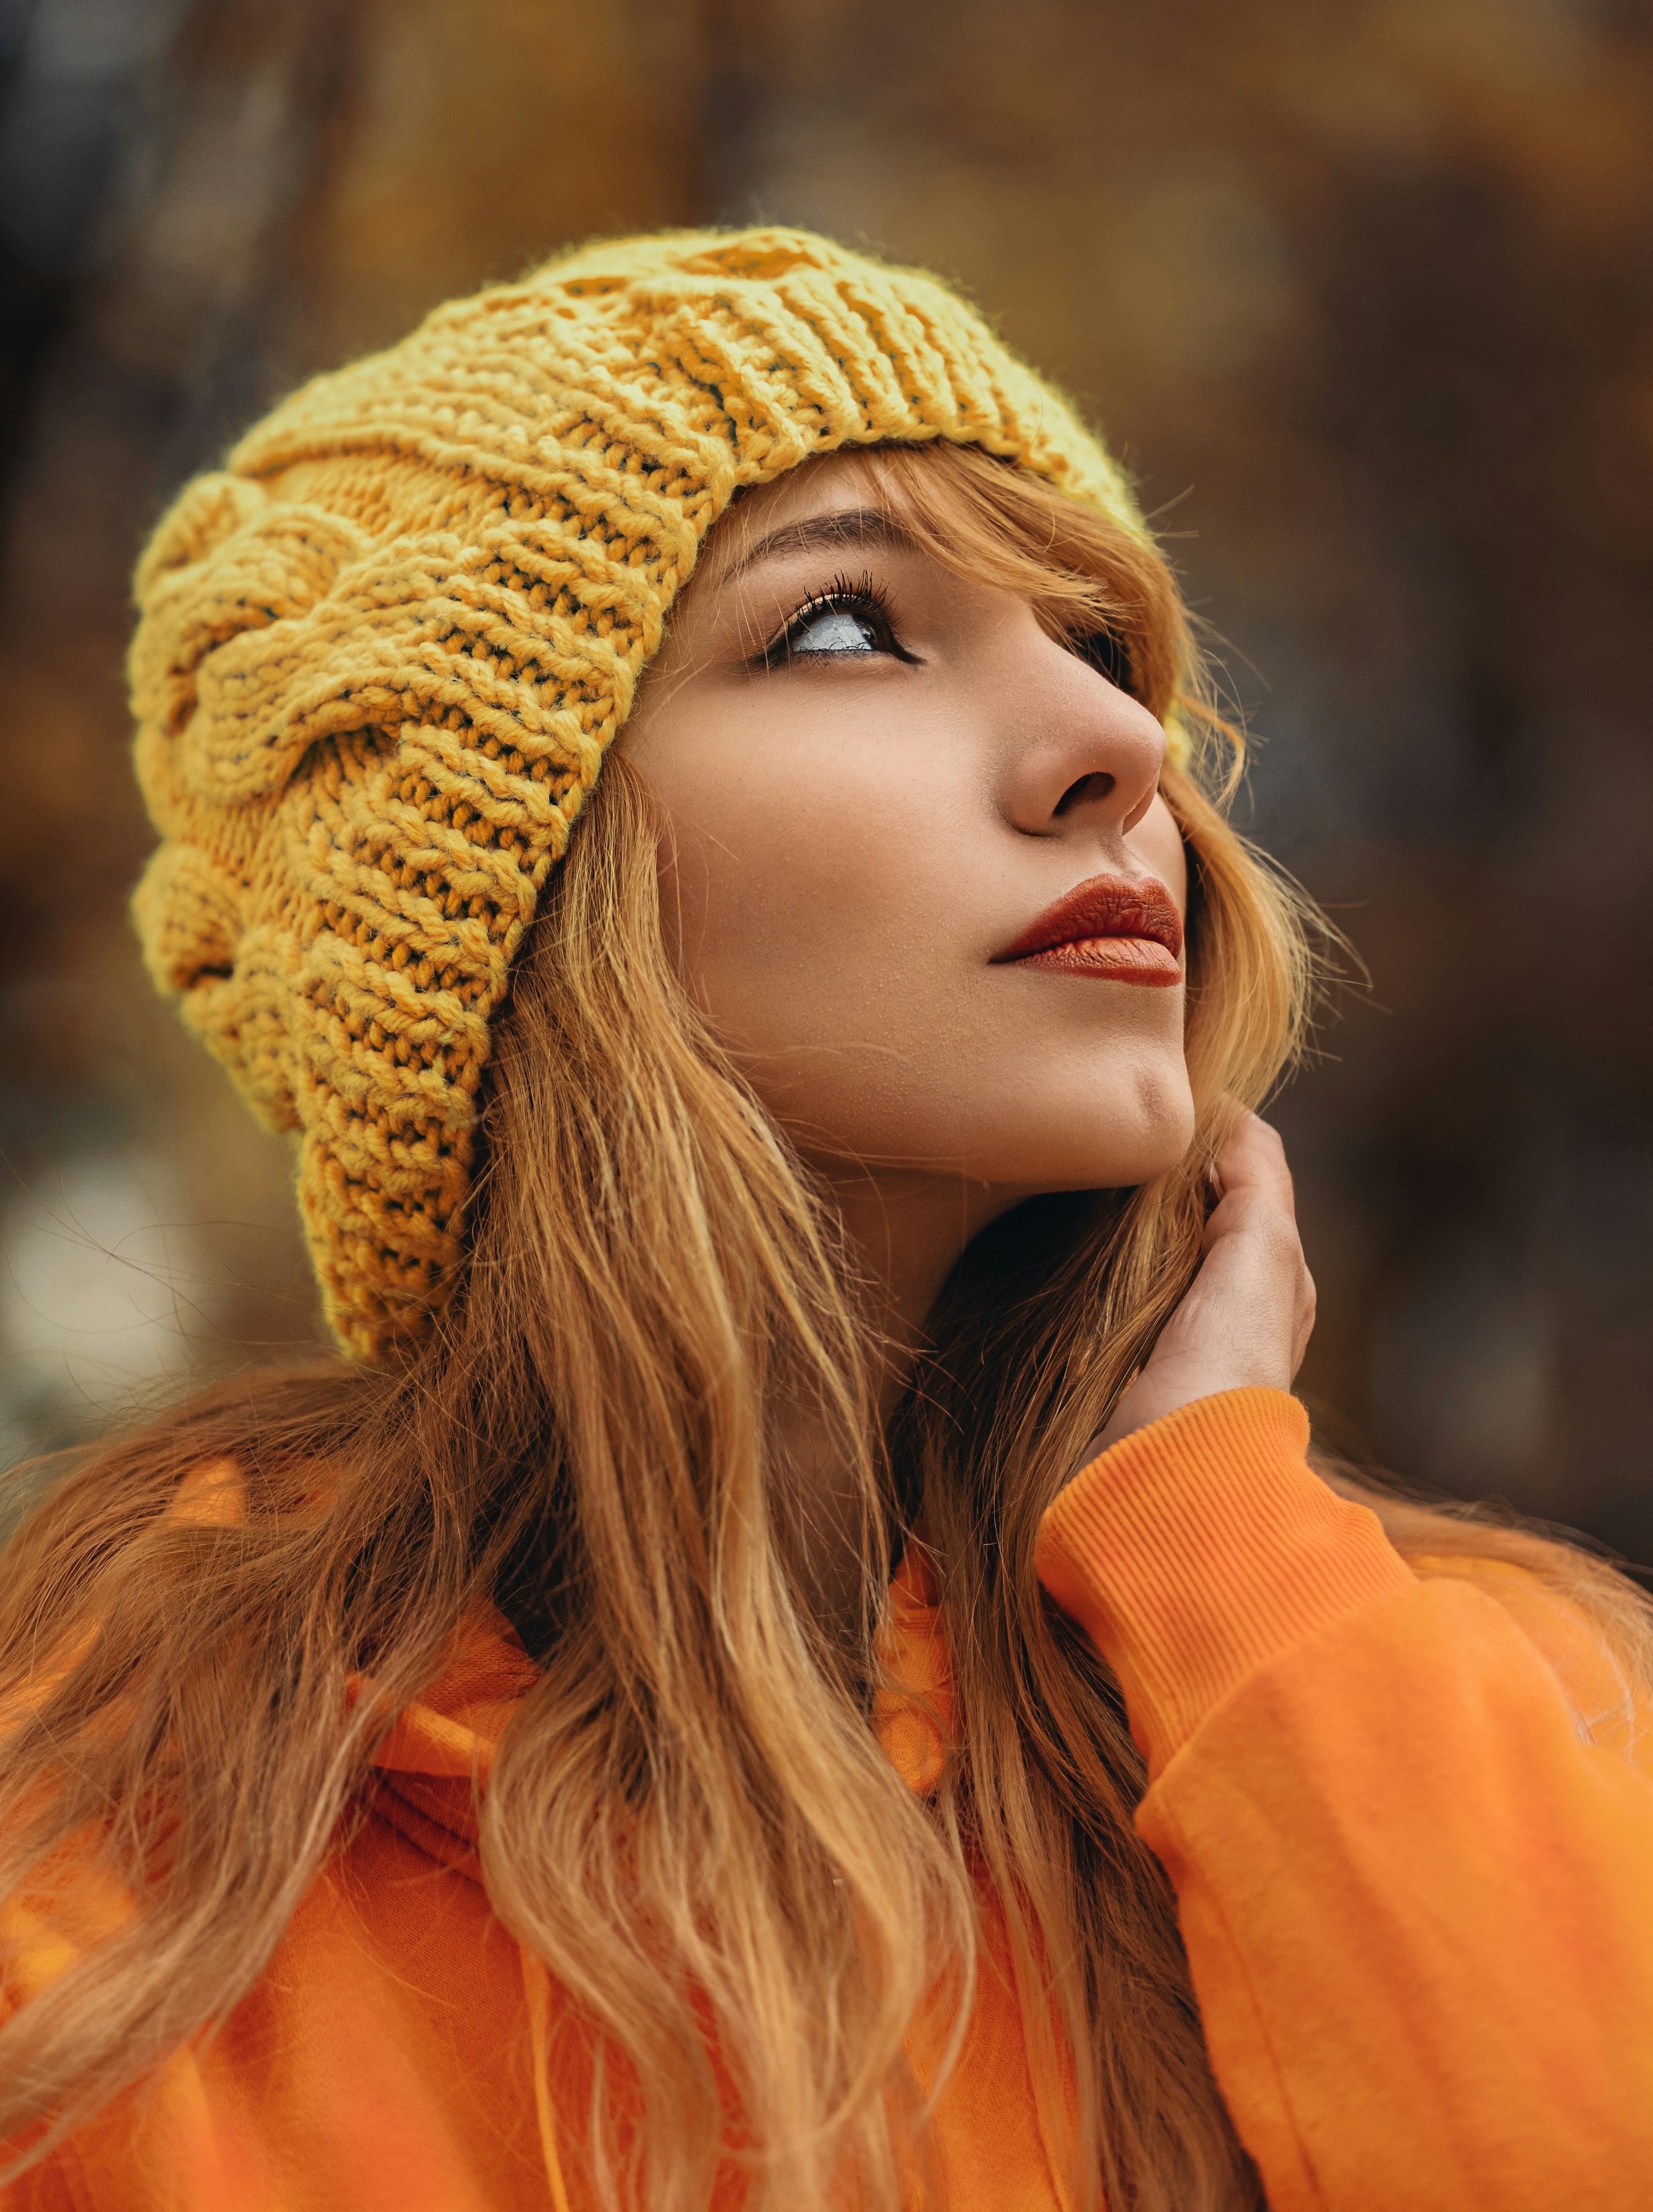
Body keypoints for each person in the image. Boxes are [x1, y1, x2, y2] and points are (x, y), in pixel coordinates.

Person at [0, 228, 1647, 2212]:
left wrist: (1225, 1545)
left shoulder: (1494, 1699)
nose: (1123, 746)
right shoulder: (115, 1914)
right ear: (505, 907)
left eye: (1098, 641)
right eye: (846, 626)